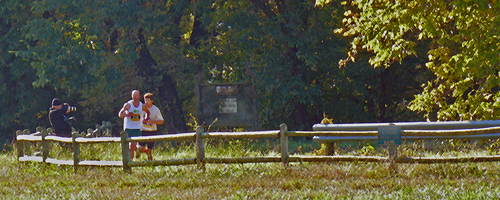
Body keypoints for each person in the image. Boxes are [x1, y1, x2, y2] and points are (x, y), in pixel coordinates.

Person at [118, 90, 149, 160]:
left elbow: (148, 112)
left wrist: (145, 119)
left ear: (139, 96)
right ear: (131, 96)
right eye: (133, 95)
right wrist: (127, 115)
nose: (134, 96)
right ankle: (133, 157)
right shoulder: (128, 105)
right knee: (130, 146)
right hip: (128, 128)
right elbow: (120, 114)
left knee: (132, 145)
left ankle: (133, 158)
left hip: (137, 128)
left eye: (136, 95)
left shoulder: (142, 105)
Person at [138, 93, 164, 160]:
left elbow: (161, 121)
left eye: (148, 100)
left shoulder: (156, 109)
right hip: (143, 131)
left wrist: (153, 122)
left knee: (149, 149)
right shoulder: (141, 108)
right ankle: (147, 153)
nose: (146, 102)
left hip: (152, 131)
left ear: (152, 101)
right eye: (145, 100)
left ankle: (150, 163)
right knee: (140, 147)